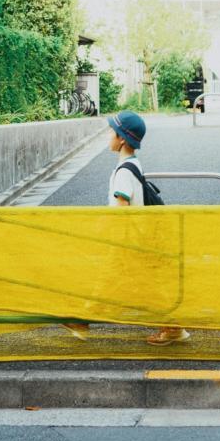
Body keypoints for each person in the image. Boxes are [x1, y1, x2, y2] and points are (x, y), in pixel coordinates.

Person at [62, 110, 190, 346]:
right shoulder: (134, 164)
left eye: (112, 131)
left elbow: (121, 208)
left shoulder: (123, 173)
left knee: (129, 284)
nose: (109, 135)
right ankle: (83, 321)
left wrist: (108, 235)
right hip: (136, 241)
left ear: (121, 139)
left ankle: (83, 321)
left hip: (128, 242)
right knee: (130, 284)